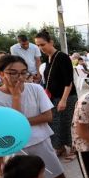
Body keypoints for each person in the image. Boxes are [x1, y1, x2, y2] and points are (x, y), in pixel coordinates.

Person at [0, 55, 79, 178]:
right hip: (16, 147)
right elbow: (11, 128)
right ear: (0, 73)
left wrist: (20, 122)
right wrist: (16, 97)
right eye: (13, 72)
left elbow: (48, 116)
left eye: (23, 73)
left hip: (41, 140)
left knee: (58, 174)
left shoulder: (35, 89)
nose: (19, 77)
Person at [35, 30, 78, 161]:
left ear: (51, 42)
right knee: (55, 124)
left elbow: (68, 81)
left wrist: (64, 100)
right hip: (53, 97)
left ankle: (72, 149)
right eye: (38, 45)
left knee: (66, 124)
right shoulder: (48, 58)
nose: (40, 48)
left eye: (42, 44)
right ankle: (59, 147)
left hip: (66, 97)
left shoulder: (62, 57)